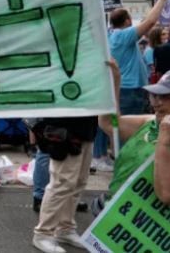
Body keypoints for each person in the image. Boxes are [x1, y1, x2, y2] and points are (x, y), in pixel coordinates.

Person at [92, 67, 170, 214]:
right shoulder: (149, 123)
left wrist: (163, 144)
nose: (155, 103)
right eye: (154, 96)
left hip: (146, 227)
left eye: (164, 97)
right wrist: (113, 82)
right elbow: (109, 124)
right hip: (113, 217)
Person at [31, 99, 100, 252]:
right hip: (65, 128)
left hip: (86, 127)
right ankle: (43, 233)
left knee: (78, 183)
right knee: (62, 183)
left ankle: (65, 228)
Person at [107, 0, 170, 116]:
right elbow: (150, 21)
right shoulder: (123, 35)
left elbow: (146, 22)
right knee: (129, 130)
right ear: (128, 21)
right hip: (130, 90)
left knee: (118, 127)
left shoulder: (111, 35)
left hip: (123, 88)